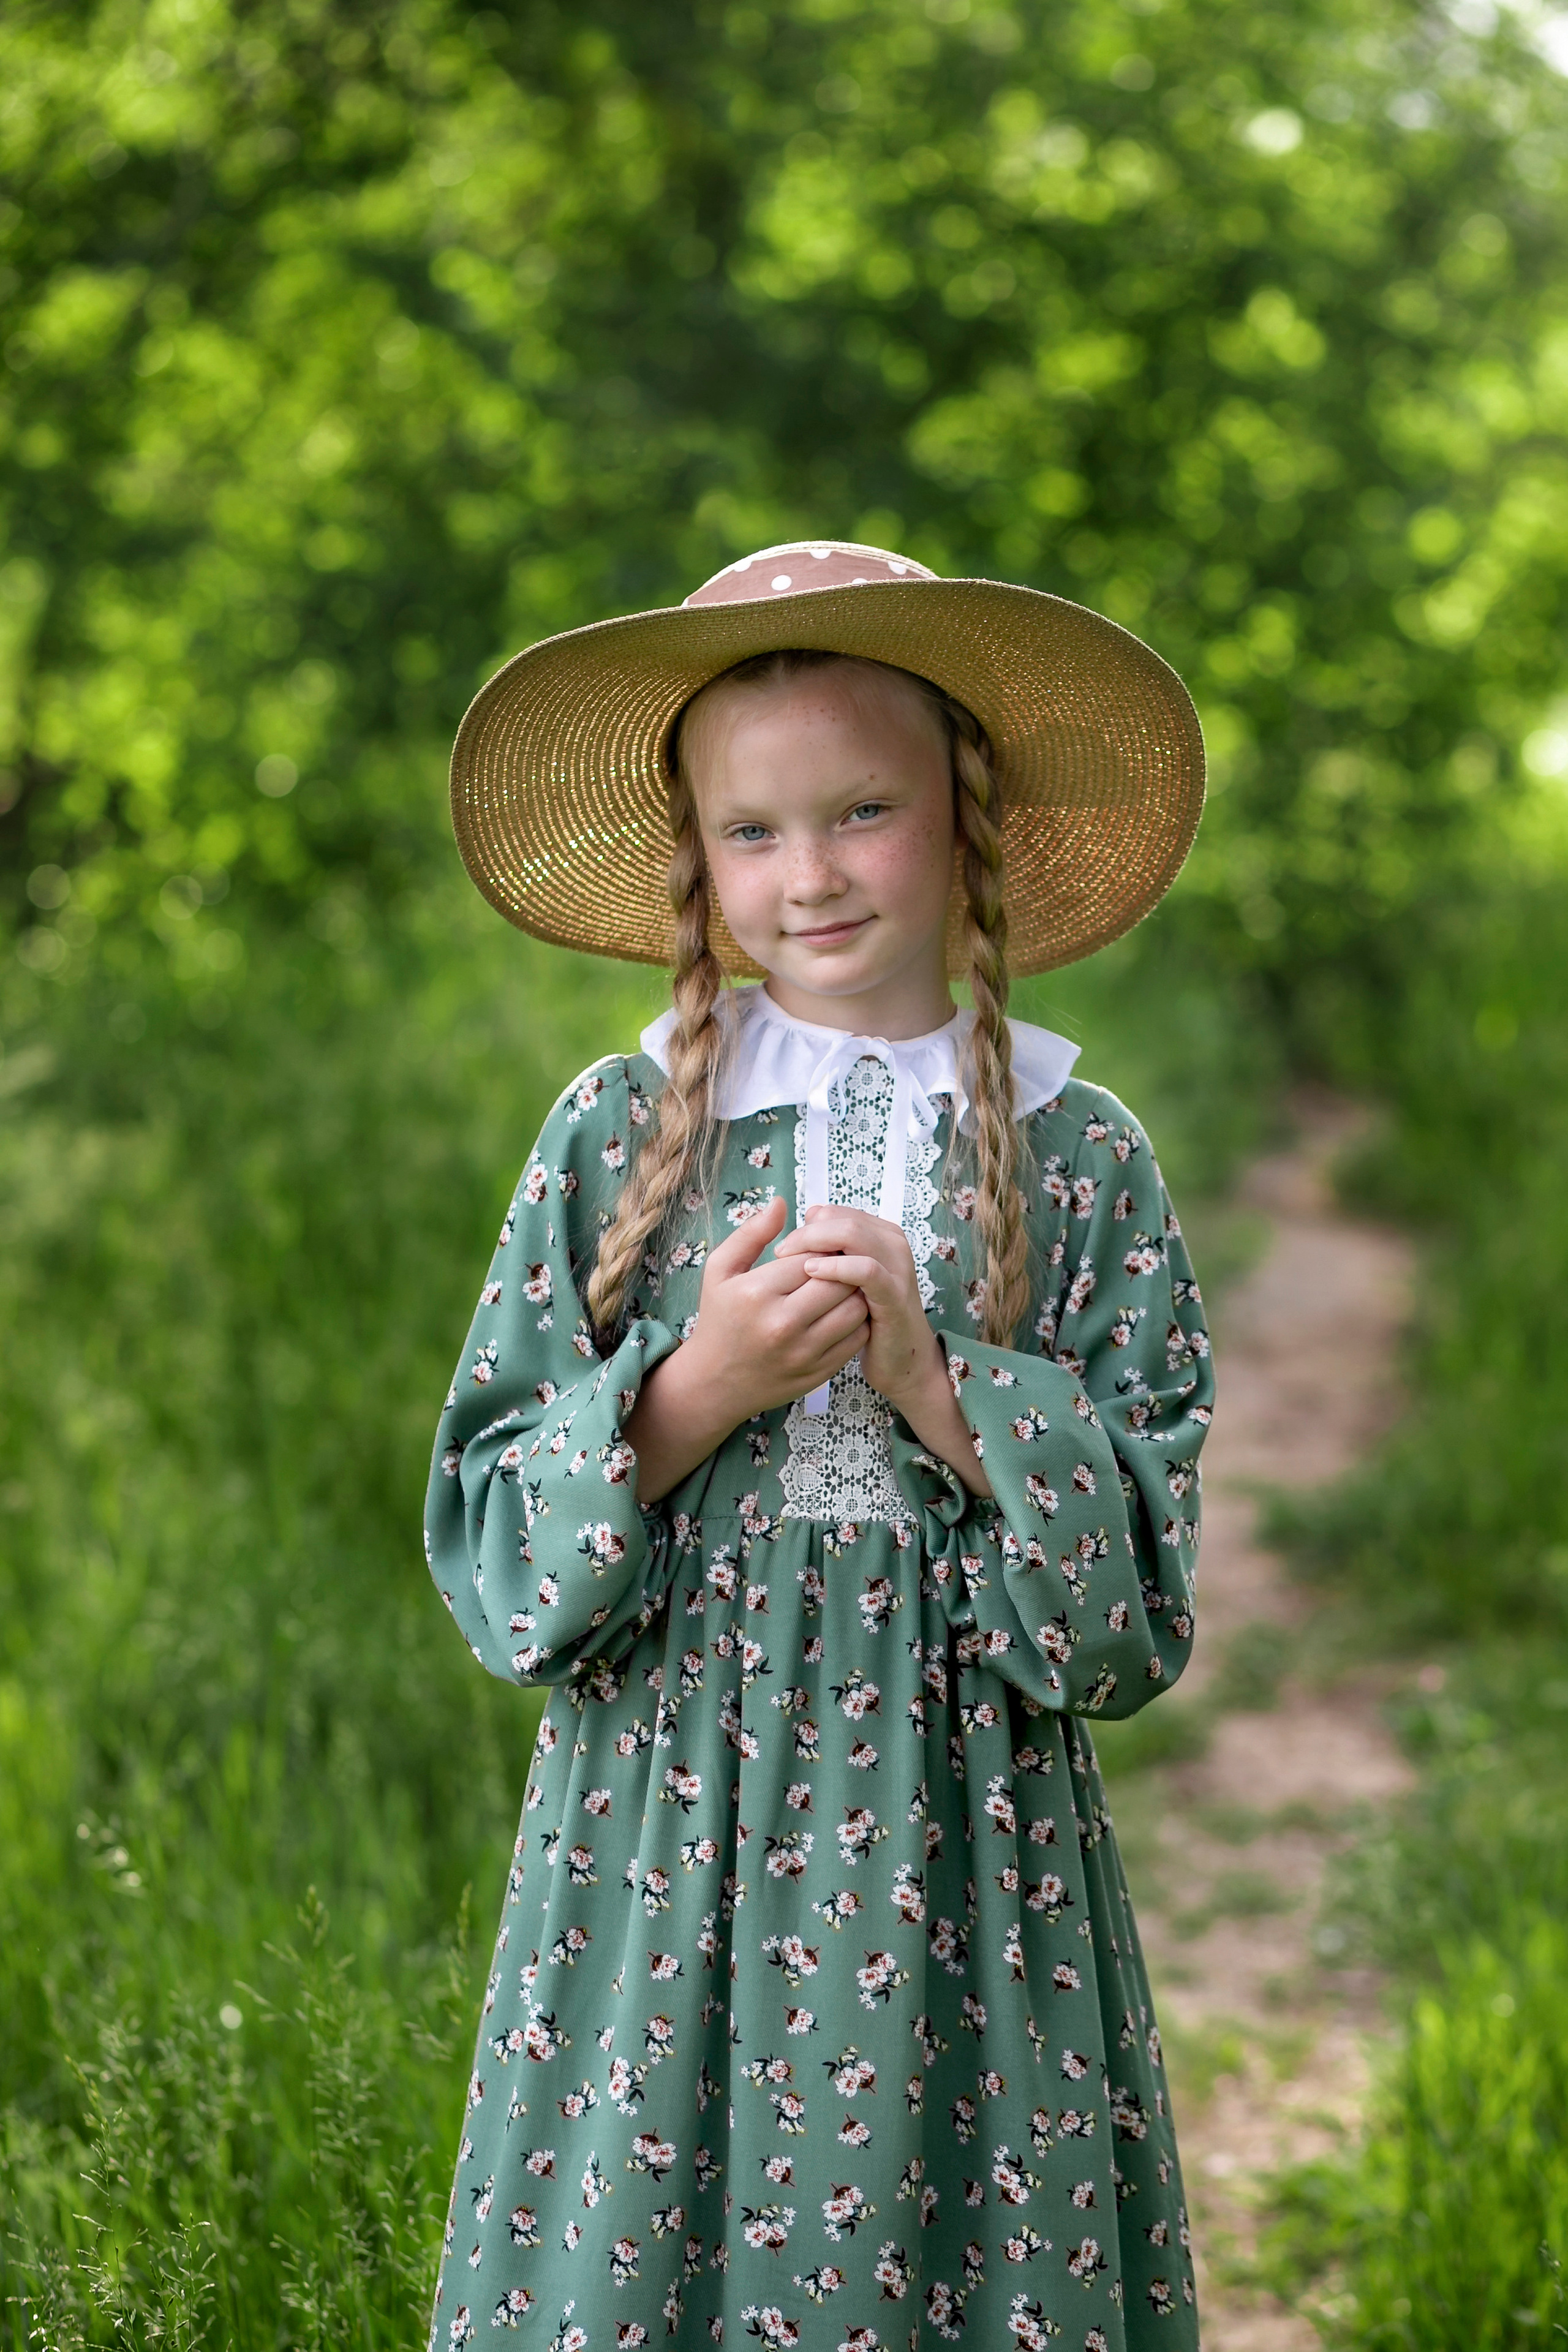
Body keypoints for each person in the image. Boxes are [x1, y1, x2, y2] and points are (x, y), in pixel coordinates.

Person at [425, 541, 1213, 2351]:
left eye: (861, 809)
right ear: (695, 862)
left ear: (968, 818)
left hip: (965, 1840)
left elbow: (1128, 1620)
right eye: (754, 831)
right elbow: (490, 1535)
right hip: (666, 1824)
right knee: (644, 2244)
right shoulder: (619, 1133)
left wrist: (953, 1396)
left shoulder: (1077, 1154)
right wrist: (691, 1391)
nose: (812, 872)